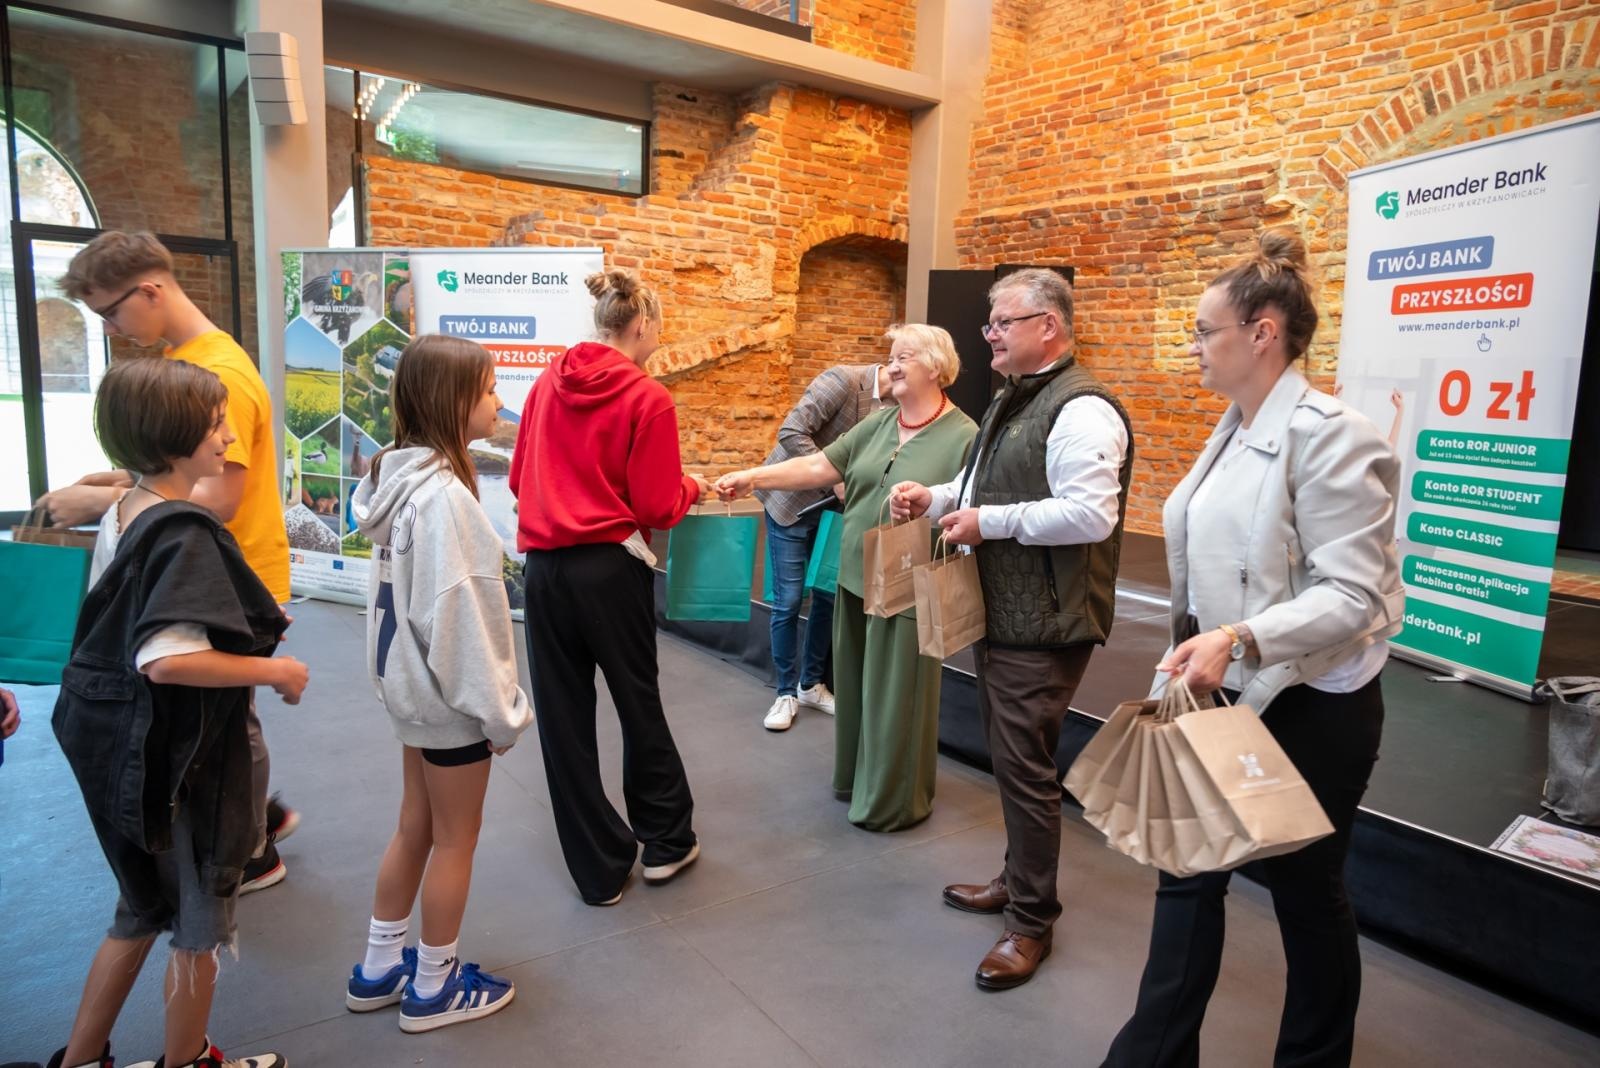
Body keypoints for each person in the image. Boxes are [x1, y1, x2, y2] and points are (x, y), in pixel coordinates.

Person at [1101, 229, 1404, 1067]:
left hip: (1315, 705)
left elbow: (1356, 595)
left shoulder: (1334, 433)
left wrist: (1239, 636)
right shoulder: (1232, 427)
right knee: (1186, 872)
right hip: (1225, 689)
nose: (1193, 346)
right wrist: (1211, 646)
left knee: (1308, 896)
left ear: (1263, 331)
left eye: (1205, 331)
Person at [41, 357, 308, 1068]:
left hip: (114, 747)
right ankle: (188, 1060)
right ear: (173, 439)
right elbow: (167, 658)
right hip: (178, 763)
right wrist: (276, 669)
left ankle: (81, 1059)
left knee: (138, 908)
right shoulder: (184, 533)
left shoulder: (126, 510)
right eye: (214, 424)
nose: (227, 437)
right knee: (199, 923)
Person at [891, 268, 1133, 991]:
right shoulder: (1012, 400)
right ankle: (1016, 880)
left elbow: (1091, 516)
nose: (988, 332)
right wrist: (932, 498)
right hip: (1010, 611)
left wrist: (985, 524)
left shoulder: (1083, 410)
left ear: (1048, 327)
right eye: (991, 322)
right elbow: (978, 490)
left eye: (1003, 321)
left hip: (1049, 622)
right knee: (1013, 759)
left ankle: (1031, 921)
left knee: (1025, 769)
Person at [43, 231, 298, 894]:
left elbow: (219, 494)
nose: (112, 328)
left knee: (228, 720)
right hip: (202, 573)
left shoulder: (220, 374)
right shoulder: (194, 362)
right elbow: (175, 478)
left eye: (111, 311)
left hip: (222, 578)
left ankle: (250, 847)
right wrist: (112, 489)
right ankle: (251, 828)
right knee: (221, 717)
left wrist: (105, 504)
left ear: (151, 290)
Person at [717, 324, 976, 832]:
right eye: (891, 357)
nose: (892, 366)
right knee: (856, 689)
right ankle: (858, 779)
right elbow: (819, 466)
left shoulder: (965, 435)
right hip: (855, 577)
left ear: (936, 367)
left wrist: (925, 504)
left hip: (909, 587)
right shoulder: (880, 424)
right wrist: (754, 477)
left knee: (897, 694)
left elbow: (968, 507)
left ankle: (894, 800)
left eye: (904, 357)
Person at [347, 335, 531, 1033]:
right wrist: (501, 713)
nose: (496, 401)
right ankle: (433, 985)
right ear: (456, 402)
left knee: (414, 825)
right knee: (457, 837)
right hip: (447, 703)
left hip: (410, 694)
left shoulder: (398, 481)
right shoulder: (447, 501)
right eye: (487, 389)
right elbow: (461, 622)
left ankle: (378, 966)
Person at [510, 269, 710, 906]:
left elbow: (519, 480)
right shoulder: (648, 397)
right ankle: (666, 842)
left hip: (542, 570)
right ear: (642, 325)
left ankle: (597, 869)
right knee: (636, 701)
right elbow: (656, 501)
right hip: (609, 567)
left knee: (563, 719)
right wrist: (694, 487)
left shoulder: (546, 383)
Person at [755, 363, 892, 731]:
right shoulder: (842, 381)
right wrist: (835, 479)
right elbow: (791, 432)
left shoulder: (897, 409)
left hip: (835, 514)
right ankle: (784, 692)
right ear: (897, 365)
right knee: (788, 599)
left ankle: (810, 685)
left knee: (827, 596)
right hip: (791, 504)